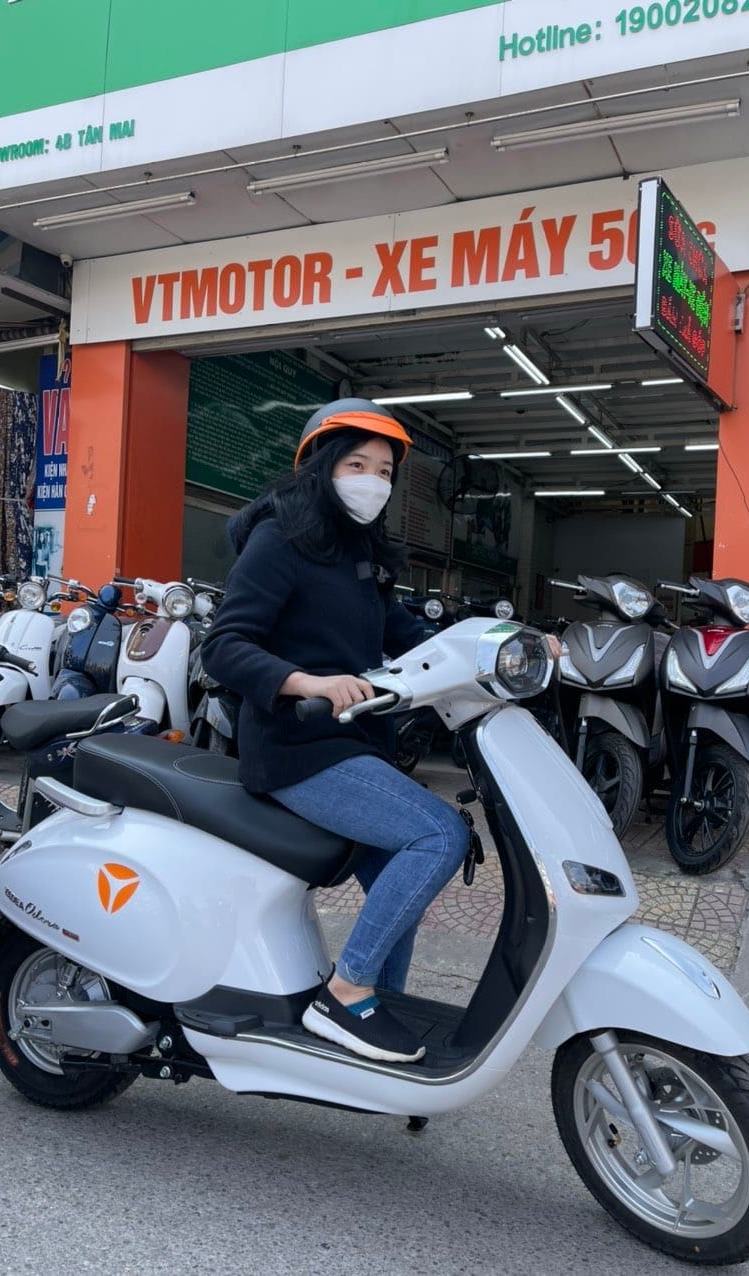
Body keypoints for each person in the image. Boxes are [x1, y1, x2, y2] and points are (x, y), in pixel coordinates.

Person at [201, 399, 470, 1065]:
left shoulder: (365, 555)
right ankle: (346, 996)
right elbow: (225, 645)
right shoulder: (280, 540)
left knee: (398, 893)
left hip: (353, 744)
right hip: (294, 744)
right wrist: (307, 682)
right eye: (357, 464)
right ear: (320, 467)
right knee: (440, 834)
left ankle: (378, 1013)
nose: (372, 481)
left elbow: (407, 636)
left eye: (384, 471)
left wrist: (498, 648)